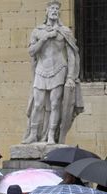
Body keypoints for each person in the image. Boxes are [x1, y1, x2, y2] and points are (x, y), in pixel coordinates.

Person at [22, 0, 83, 144]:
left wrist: (70, 77)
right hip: (41, 70)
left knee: (55, 104)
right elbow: (31, 51)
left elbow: (71, 55)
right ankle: (33, 134)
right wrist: (44, 39)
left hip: (59, 69)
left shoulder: (65, 31)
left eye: (57, 9)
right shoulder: (38, 31)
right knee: (38, 104)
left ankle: (51, 135)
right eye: (52, 9)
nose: (54, 11)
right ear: (47, 12)